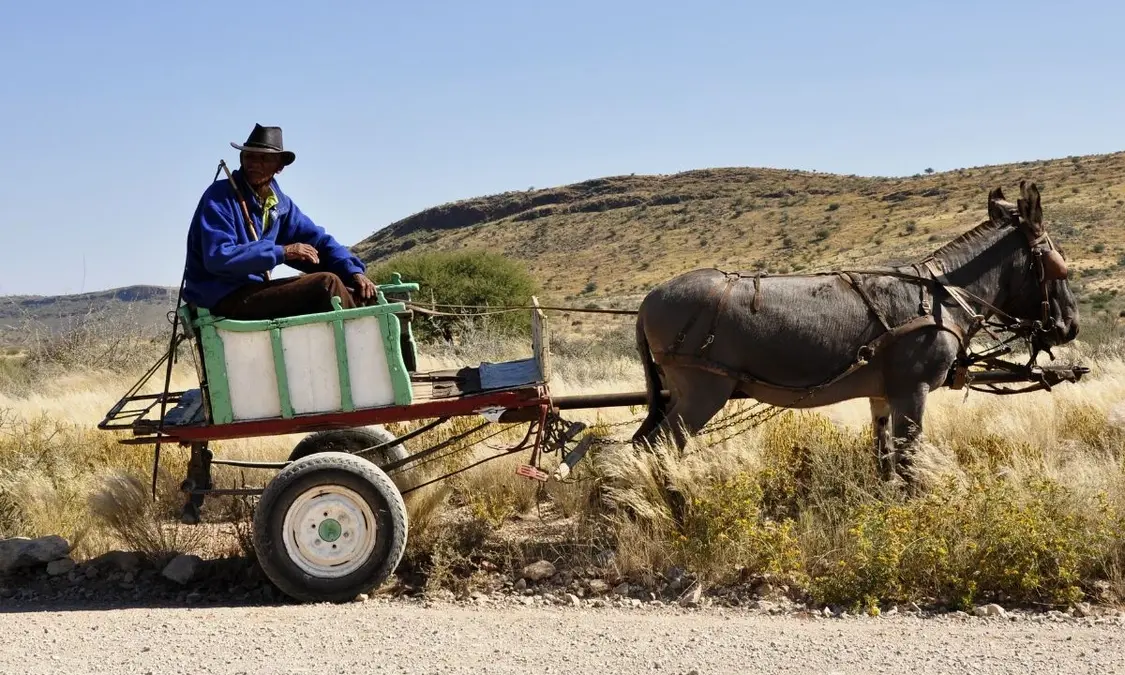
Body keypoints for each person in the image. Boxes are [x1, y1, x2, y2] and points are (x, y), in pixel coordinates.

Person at [181, 123, 377, 320]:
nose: (254, 163)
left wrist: (353, 272)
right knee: (326, 284)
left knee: (363, 295)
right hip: (220, 297)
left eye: (264, 158)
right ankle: (364, 342)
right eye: (249, 156)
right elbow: (218, 257)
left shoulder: (279, 204)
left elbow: (319, 242)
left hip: (253, 292)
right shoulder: (220, 197)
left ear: (279, 166)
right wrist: (283, 252)